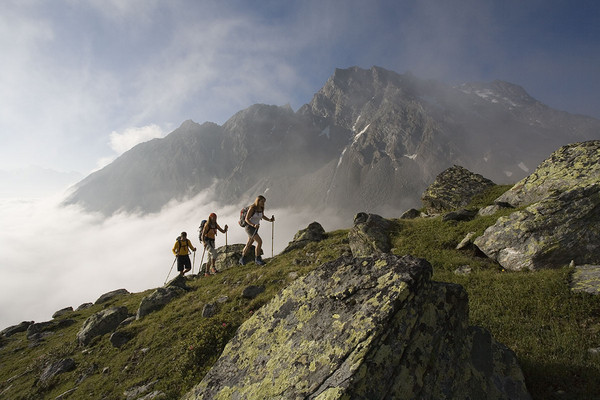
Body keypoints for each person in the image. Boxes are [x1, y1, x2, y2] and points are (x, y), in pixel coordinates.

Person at [240, 195, 274, 266]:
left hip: (255, 228)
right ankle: (257, 259)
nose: (263, 203)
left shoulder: (261, 208)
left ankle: (242, 259)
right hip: (249, 227)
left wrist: (270, 220)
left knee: (249, 243)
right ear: (258, 201)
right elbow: (246, 219)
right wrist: (253, 225)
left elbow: (262, 216)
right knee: (259, 242)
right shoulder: (252, 208)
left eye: (264, 202)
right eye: (262, 201)